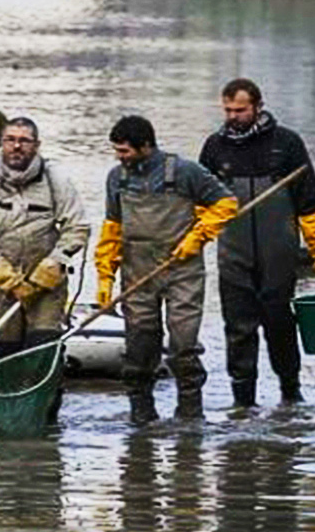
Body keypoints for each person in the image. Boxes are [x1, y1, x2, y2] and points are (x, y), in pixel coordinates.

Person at [197, 78, 315, 409]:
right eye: (228, 110)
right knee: (238, 327)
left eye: (240, 110)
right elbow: (201, 205)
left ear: (257, 106)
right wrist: (193, 240)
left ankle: (290, 391)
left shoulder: (286, 143)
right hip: (233, 253)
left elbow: (311, 201)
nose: (233, 116)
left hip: (279, 253)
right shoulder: (215, 147)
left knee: (280, 323)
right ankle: (243, 400)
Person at [94, 114, 237, 424]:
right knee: (139, 346)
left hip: (181, 269)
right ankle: (141, 417)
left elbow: (226, 204)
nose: (120, 158)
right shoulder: (116, 178)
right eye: (116, 151)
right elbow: (112, 229)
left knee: (183, 345)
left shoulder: (185, 171)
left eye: (125, 151)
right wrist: (105, 277)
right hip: (137, 271)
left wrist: (196, 238)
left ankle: (190, 417)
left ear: (146, 146)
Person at [0, 117, 89, 383]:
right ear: (2, 143)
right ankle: (7, 416)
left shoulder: (56, 180)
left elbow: (77, 226)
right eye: (11, 140)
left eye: (24, 141)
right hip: (2, 284)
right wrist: (1, 272)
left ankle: (47, 416)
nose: (17, 146)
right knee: (5, 354)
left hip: (47, 285)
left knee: (44, 351)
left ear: (36, 145)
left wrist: (55, 262)